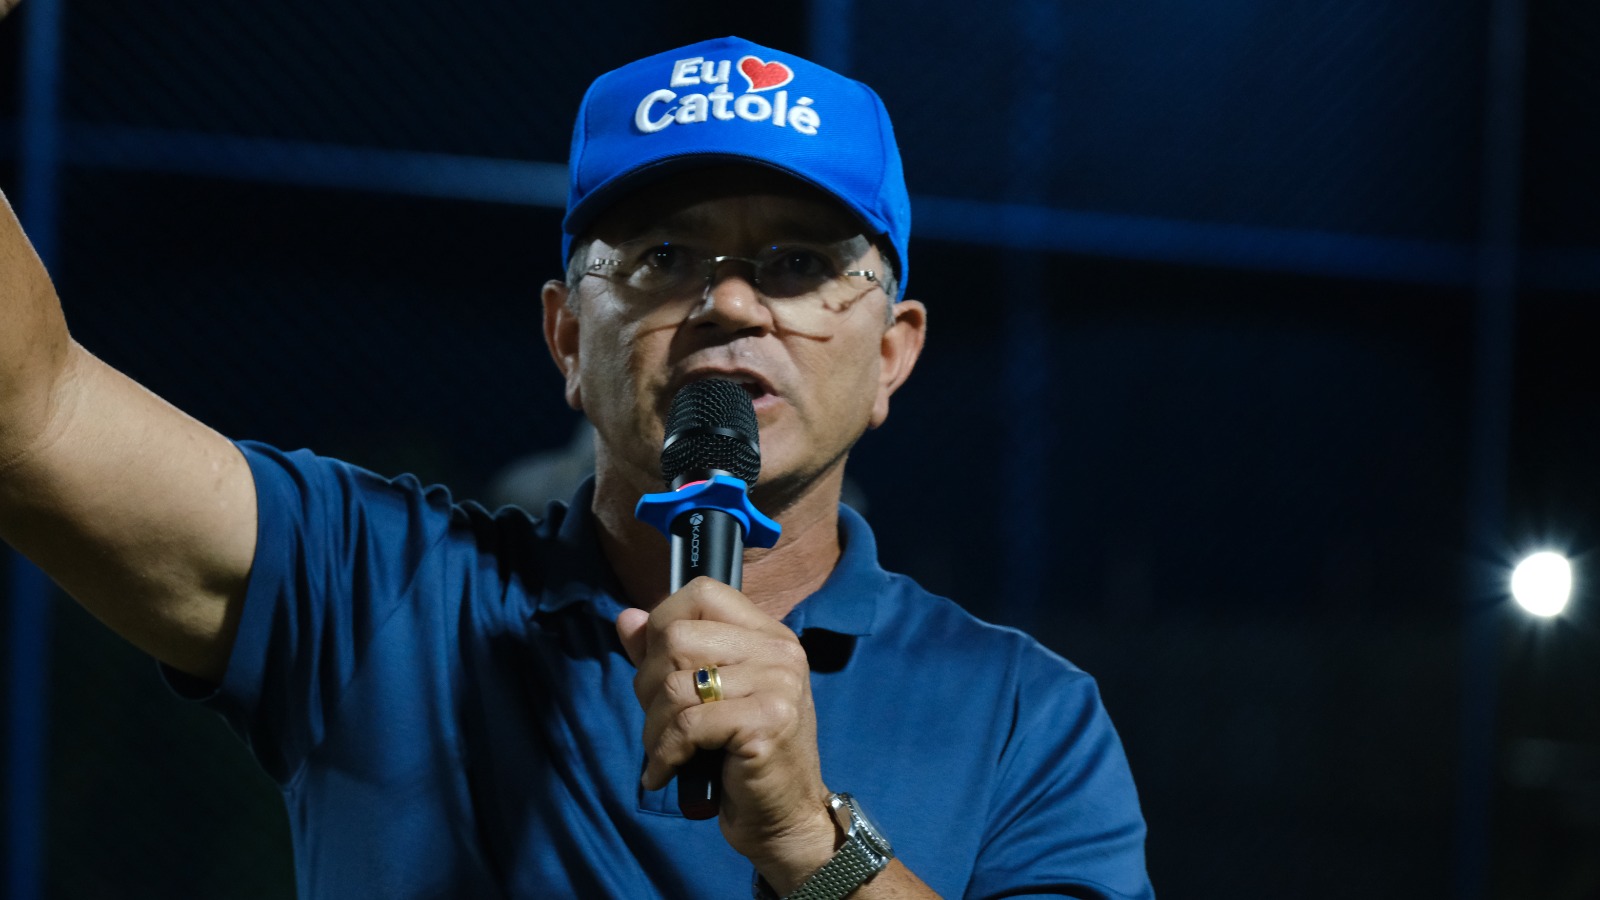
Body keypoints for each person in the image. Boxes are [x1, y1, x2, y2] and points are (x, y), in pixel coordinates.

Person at [0, 28, 1152, 900]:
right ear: (566, 338)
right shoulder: (372, 588)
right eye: (662, 256)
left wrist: (811, 841)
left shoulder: (1025, 719)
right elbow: (29, 413)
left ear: (892, 353)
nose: (729, 304)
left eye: (798, 263)